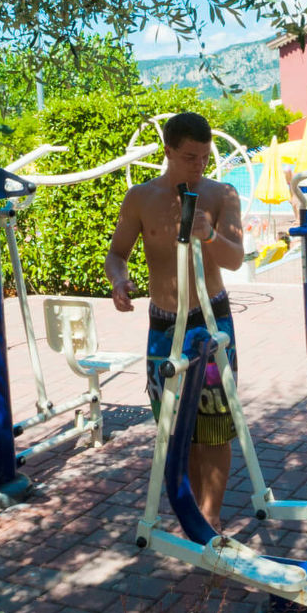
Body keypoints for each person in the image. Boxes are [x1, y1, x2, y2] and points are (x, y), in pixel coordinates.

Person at [106, 112, 246, 531]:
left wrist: (210, 235)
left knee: (216, 423)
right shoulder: (140, 198)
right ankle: (189, 511)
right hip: (164, 324)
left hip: (210, 319)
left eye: (204, 157)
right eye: (189, 157)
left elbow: (236, 259)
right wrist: (119, 281)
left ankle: (211, 515)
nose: (198, 166)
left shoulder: (223, 195)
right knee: (172, 424)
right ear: (167, 151)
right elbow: (117, 254)